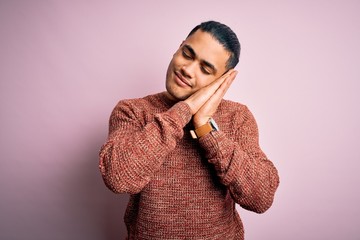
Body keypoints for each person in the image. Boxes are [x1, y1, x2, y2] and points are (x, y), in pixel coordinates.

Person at [99, 20, 279, 240]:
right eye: (187, 54)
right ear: (179, 47)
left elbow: (261, 198)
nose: (187, 69)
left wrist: (205, 127)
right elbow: (119, 178)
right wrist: (185, 110)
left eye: (205, 68)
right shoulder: (132, 111)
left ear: (221, 80)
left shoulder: (237, 117)